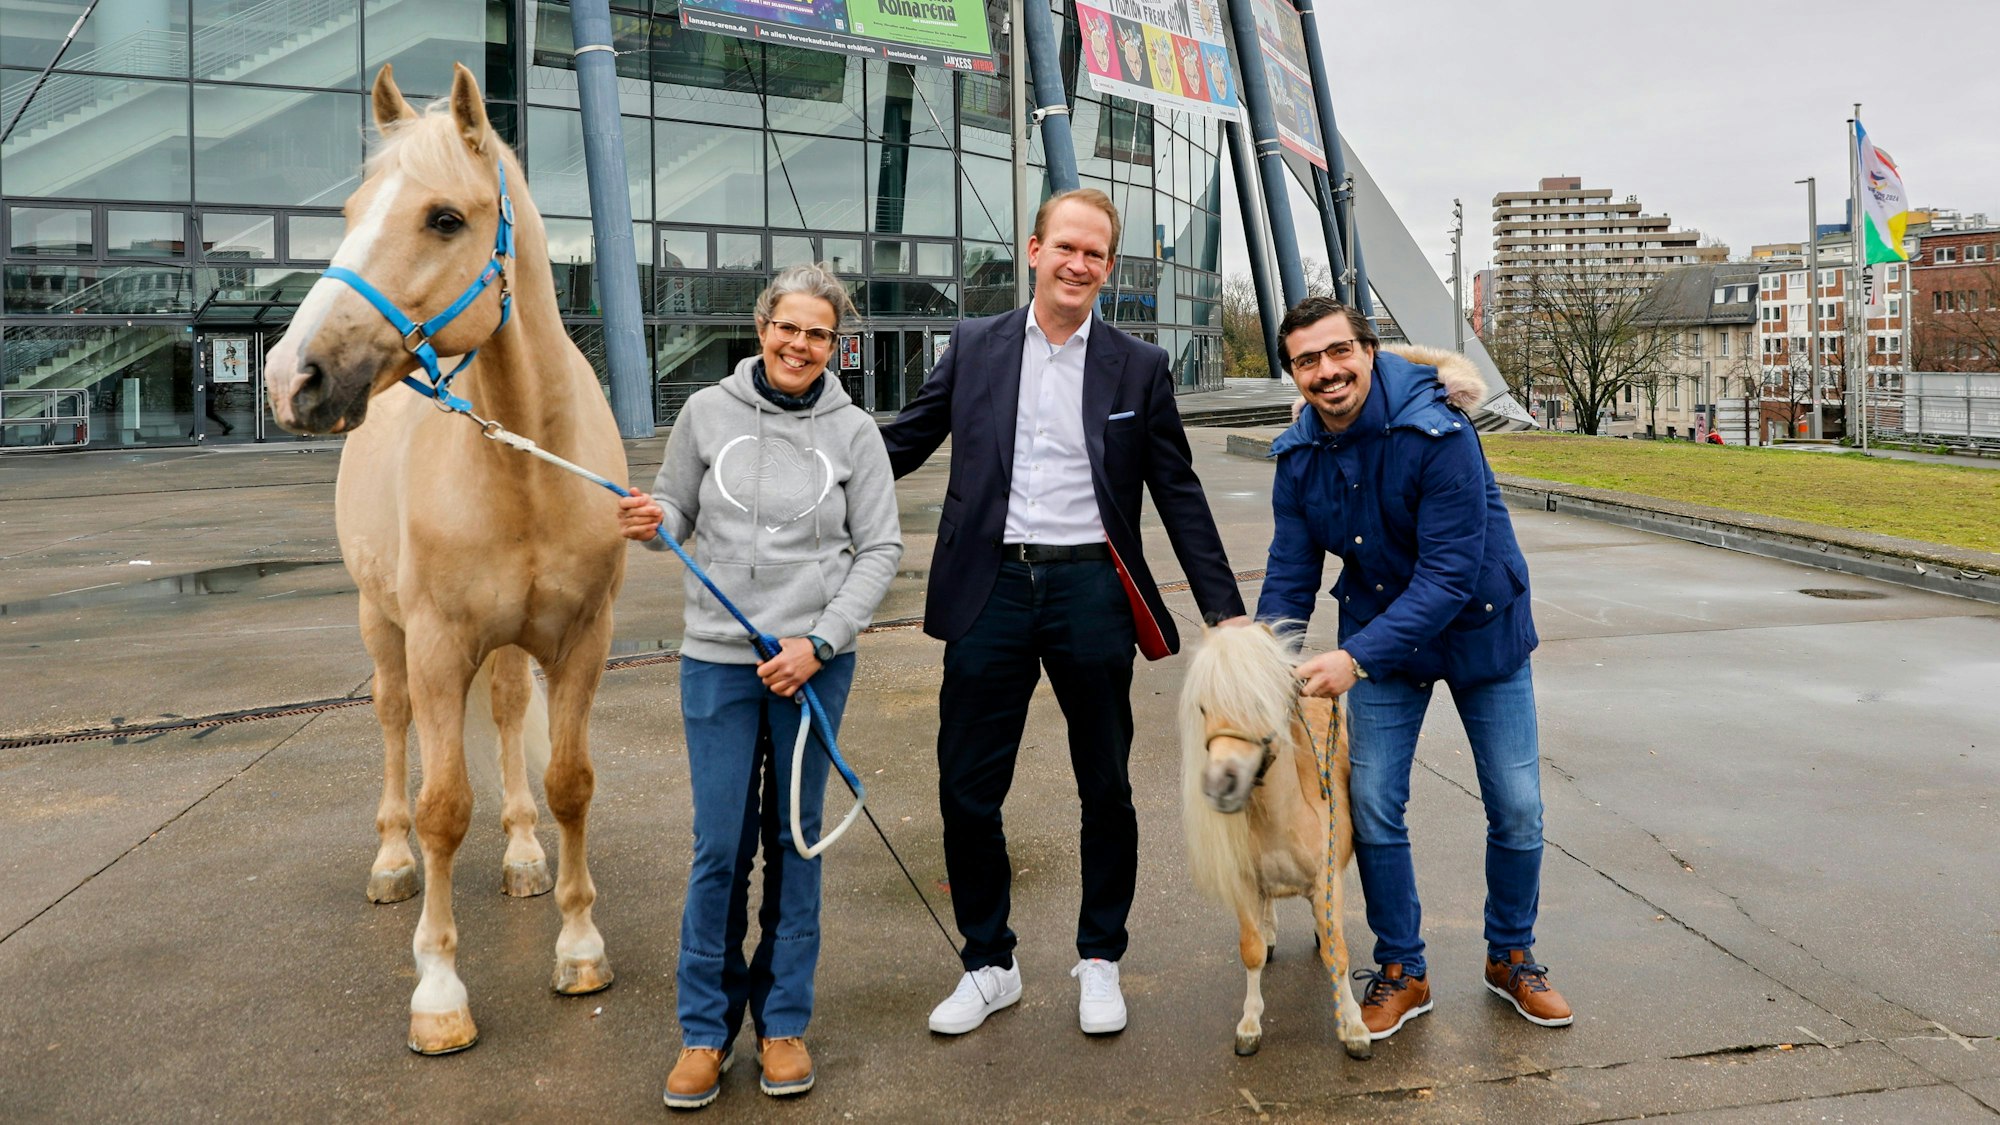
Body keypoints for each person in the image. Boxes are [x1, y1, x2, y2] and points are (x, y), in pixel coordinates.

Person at [880, 188, 1247, 1039]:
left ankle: (1100, 956)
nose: (1080, 264)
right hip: (989, 588)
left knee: (1106, 786)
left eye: (1097, 254)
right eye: (1067, 248)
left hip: (1090, 590)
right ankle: (989, 962)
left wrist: (1225, 613)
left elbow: (1178, 494)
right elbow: (902, 441)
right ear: (1036, 249)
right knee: (968, 789)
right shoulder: (974, 346)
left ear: (1108, 268)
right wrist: (796, 462)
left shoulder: (1137, 366)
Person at [616, 264, 903, 1109]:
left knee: (794, 840)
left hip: (812, 663)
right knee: (718, 848)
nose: (801, 345)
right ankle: (705, 1031)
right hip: (718, 661)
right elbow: (676, 509)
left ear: (835, 343)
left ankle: (782, 1023)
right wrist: (651, 522)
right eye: (789, 328)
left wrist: (819, 642)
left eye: (819, 334)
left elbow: (879, 550)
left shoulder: (855, 433)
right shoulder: (706, 413)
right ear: (761, 325)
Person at [1256, 297, 1572, 1043]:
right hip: (1378, 633)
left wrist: (1355, 658)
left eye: (1339, 352)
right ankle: (1403, 968)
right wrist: (1264, 662)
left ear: (1368, 349)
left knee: (1517, 804)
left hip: (1479, 629)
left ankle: (1512, 956)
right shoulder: (1298, 457)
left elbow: (1451, 573)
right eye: (1307, 360)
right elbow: (1288, 574)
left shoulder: (1438, 427)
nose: (1327, 372)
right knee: (1371, 804)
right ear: (1293, 373)